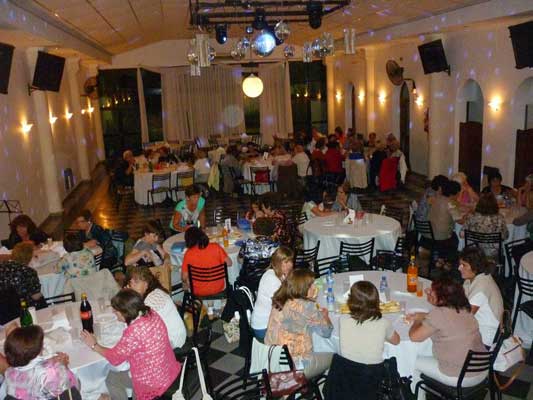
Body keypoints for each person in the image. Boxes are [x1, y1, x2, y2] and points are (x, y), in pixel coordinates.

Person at [81, 289, 181, 400]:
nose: (115, 314)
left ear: (126, 312)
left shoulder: (134, 331)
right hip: (167, 369)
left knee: (111, 377)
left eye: (116, 312)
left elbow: (115, 358)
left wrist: (94, 345)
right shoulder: (152, 314)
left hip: (152, 382)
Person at [408, 277, 486, 394]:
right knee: (429, 347)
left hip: (460, 376)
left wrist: (417, 321)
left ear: (442, 298)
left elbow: (414, 337)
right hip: (482, 367)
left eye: (432, 293)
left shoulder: (439, 314)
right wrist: (425, 316)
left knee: (411, 362)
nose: (429, 293)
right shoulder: (465, 309)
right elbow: (445, 320)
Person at [265, 269, 333, 379]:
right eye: (311, 286)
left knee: (311, 333)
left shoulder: (281, 298)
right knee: (335, 355)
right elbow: (327, 332)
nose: (314, 288)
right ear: (302, 288)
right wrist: (325, 316)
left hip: (272, 357)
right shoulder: (307, 307)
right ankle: (313, 386)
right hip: (295, 364)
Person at [4, 325, 80, 399]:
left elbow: (31, 370)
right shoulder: (53, 371)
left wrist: (47, 362)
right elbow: (76, 386)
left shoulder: (9, 373)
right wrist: (64, 366)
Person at [126, 266, 186, 349]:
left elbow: (139, 322)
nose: (132, 285)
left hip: (174, 340)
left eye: (136, 282)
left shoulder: (154, 298)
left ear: (146, 284)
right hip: (168, 334)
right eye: (130, 282)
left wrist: (129, 299)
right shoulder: (153, 292)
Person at [340, 281, 400, 364]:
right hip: (374, 374)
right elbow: (396, 341)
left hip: (347, 373)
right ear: (377, 302)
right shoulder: (384, 323)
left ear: (351, 301)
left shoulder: (343, 319)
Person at [459, 247, 504, 347]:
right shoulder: (475, 278)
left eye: (464, 265)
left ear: (475, 266)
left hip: (486, 336)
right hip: (478, 327)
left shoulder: (481, 287)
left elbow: (464, 317)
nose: (459, 268)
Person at [251, 247, 294, 341]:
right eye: (286, 262)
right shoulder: (271, 279)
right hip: (263, 326)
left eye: (291, 261)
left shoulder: (281, 274)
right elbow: (283, 305)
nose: (290, 265)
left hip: (272, 320)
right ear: (278, 262)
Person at [181, 227, 232, 296]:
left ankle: (191, 300)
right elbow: (229, 263)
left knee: (184, 279)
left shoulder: (188, 253)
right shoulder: (216, 247)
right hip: (218, 288)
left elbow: (184, 277)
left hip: (197, 290)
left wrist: (185, 282)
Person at [461, 193, 509, 259]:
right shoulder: (500, 218)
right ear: (495, 205)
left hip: (475, 252)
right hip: (493, 253)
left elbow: (461, 234)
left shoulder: (471, 217)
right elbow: (505, 236)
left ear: (479, 205)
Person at [0, 242, 44, 307]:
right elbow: (36, 296)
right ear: (29, 256)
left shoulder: (2, 267)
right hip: (24, 308)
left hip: (4, 311)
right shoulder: (28, 271)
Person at [427, 180, 461, 252]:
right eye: (459, 194)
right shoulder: (451, 204)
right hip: (442, 237)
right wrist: (469, 214)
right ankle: (448, 259)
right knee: (456, 239)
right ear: (455, 193)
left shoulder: (436, 198)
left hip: (430, 233)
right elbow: (460, 221)